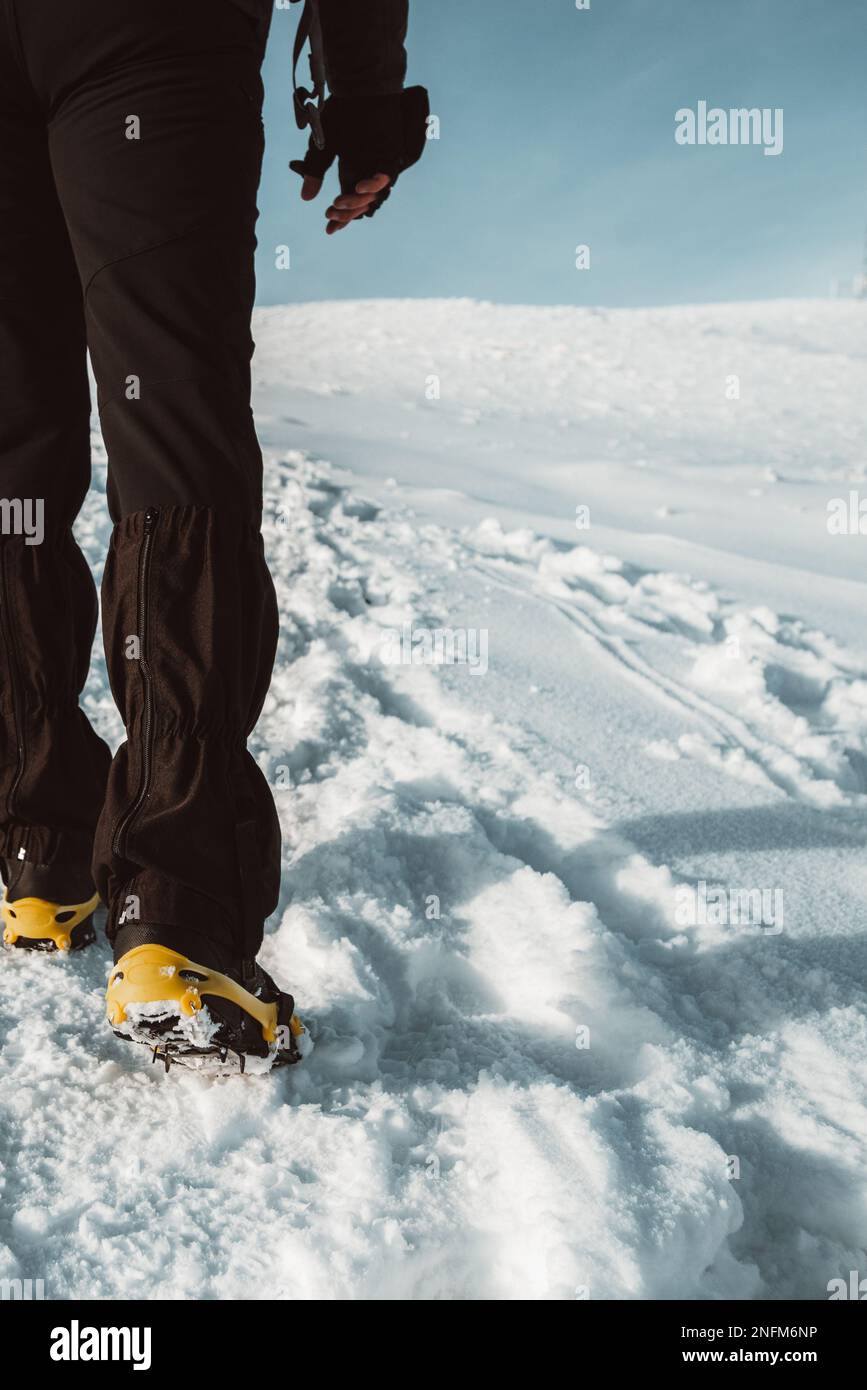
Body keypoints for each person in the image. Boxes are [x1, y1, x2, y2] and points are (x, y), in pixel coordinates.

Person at [0, 0, 428, 1072]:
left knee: (9, 451)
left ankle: (39, 849)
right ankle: (174, 911)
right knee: (172, 422)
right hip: (144, 32)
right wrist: (364, 95)